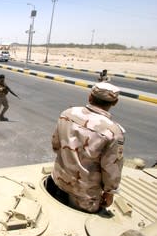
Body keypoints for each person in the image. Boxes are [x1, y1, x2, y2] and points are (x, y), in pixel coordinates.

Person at [48, 82, 125, 213]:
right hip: (83, 196)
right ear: (115, 102)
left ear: (90, 97)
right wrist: (109, 192)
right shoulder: (113, 132)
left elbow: (56, 145)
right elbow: (111, 168)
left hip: (57, 182)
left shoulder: (67, 114)